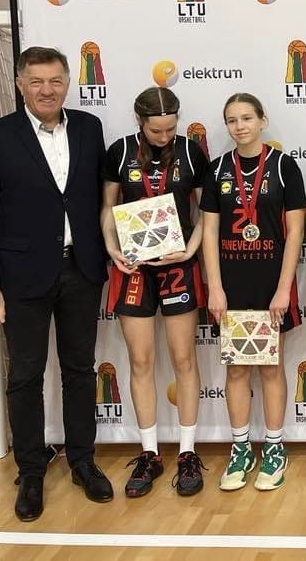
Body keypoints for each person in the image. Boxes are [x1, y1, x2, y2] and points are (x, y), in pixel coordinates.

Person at [0, 46, 113, 522]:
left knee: (79, 370)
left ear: (67, 83)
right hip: (20, 277)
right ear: (20, 85)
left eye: (55, 81)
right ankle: (30, 471)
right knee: (25, 375)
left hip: (81, 270)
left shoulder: (89, 128)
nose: (47, 90)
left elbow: (103, 200)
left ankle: (83, 461)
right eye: (36, 82)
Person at [100, 86, 209, 498]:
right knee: (141, 361)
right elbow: (108, 208)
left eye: (170, 129)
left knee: (184, 359)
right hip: (133, 268)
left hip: (178, 266)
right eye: (155, 131)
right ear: (139, 122)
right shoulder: (119, 151)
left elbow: (206, 212)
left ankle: (187, 452)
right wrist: (112, 248)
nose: (164, 137)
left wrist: (191, 249)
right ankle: (149, 453)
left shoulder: (192, 152)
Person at [201, 93, 306, 492]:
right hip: (231, 284)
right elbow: (209, 232)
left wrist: (283, 289)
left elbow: (295, 232)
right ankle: (241, 447)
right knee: (236, 368)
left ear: (262, 120)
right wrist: (215, 288)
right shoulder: (216, 170)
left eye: (247, 118)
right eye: (232, 120)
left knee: (270, 366)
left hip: (270, 282)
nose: (240, 126)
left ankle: (275, 447)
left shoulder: (283, 166)